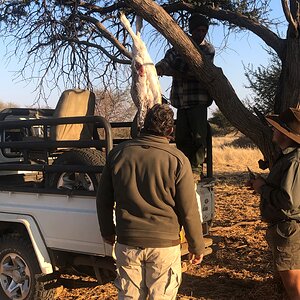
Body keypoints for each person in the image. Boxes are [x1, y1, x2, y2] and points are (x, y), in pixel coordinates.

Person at [96, 104, 205, 299]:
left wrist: (107, 231)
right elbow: (188, 210)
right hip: (164, 245)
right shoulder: (178, 159)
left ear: (143, 127)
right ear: (171, 130)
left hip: (127, 242)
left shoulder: (118, 154)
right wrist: (197, 246)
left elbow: (103, 199)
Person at [248, 106, 300, 299]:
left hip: (289, 231)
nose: (273, 130)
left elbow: (289, 202)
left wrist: (262, 188)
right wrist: (260, 186)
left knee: (295, 290)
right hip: (286, 230)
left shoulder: (294, 161)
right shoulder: (289, 158)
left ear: (286, 134)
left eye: (277, 128)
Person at [155, 13, 215, 179]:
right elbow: (166, 61)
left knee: (198, 137)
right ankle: (183, 168)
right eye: (198, 30)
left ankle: (196, 170)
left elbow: (195, 71)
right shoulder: (177, 46)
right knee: (181, 137)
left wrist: (172, 71)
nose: (201, 33)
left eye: (204, 30)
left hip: (198, 101)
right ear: (192, 30)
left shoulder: (207, 49)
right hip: (181, 102)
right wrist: (158, 69)